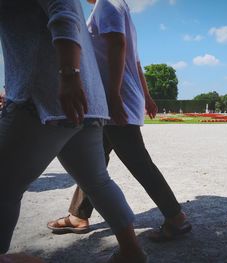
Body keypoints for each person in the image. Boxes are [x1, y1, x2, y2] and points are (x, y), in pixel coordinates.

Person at [0, 0, 147, 262]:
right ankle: (131, 251)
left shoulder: (108, 6)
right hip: (86, 101)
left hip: (44, 95)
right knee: (98, 182)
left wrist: (68, 75)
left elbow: (64, 11)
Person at [47, 0, 191, 242]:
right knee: (94, 161)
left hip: (115, 98)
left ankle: (176, 217)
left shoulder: (108, 5)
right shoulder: (117, 7)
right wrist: (146, 96)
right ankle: (78, 215)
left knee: (136, 161)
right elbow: (134, 60)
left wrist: (114, 96)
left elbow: (117, 45)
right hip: (115, 98)